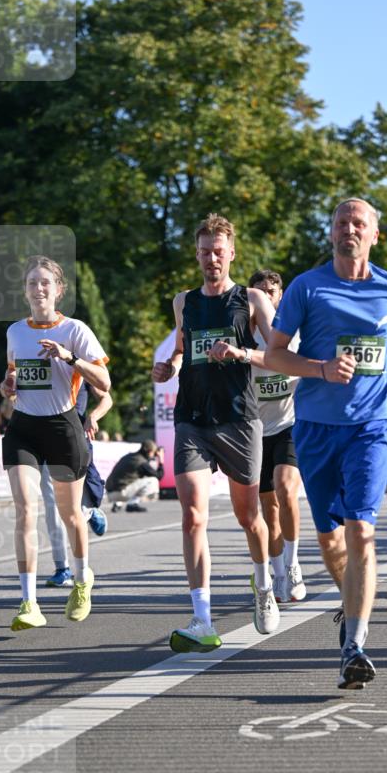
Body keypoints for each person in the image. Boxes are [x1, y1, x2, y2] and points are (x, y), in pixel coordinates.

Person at [266, 198, 387, 690]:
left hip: (372, 427)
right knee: (332, 542)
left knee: (361, 531)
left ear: (375, 234)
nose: (348, 229)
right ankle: (350, 605)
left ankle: (355, 644)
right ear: (331, 233)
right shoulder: (306, 287)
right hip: (314, 428)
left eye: (359, 223)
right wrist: (321, 370)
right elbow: (273, 355)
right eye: (341, 223)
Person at [151, 213, 280, 653]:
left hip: (241, 419)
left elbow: (280, 356)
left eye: (218, 252)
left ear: (232, 253)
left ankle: (263, 585)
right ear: (197, 254)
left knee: (249, 518)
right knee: (192, 517)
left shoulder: (253, 300)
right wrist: (168, 365)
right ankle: (201, 619)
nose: (211, 260)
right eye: (204, 252)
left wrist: (242, 352)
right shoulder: (183, 301)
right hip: (192, 420)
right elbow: (185, 348)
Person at [0, 255, 110, 630]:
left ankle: (81, 581)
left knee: (71, 515)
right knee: (26, 510)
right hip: (24, 428)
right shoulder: (15, 332)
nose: (39, 288)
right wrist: (7, 388)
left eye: (46, 282)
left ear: (58, 289)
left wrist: (70, 357)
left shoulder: (75, 330)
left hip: (63, 427)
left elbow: (105, 382)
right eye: (33, 282)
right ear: (25, 290)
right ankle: (28, 602)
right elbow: (10, 384)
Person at [248, 268, 306, 603]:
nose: (266, 296)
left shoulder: (291, 336)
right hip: (255, 430)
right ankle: (279, 573)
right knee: (268, 509)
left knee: (286, 490)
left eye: (272, 290)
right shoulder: (243, 334)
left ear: (280, 295)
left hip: (289, 424)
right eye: (259, 291)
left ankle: (294, 563)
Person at [42, 380, 113, 587]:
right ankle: (62, 568)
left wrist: (93, 416)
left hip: (75, 440)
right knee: (51, 505)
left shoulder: (79, 364)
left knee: (74, 510)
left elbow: (107, 398)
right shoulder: (38, 360)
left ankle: (89, 511)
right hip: (44, 440)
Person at [106, 440, 164, 512]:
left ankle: (118, 503)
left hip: (109, 492)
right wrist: (161, 460)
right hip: (120, 493)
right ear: (149, 452)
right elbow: (159, 476)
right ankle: (132, 504)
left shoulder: (129, 456)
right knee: (153, 480)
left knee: (135, 478)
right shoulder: (141, 462)